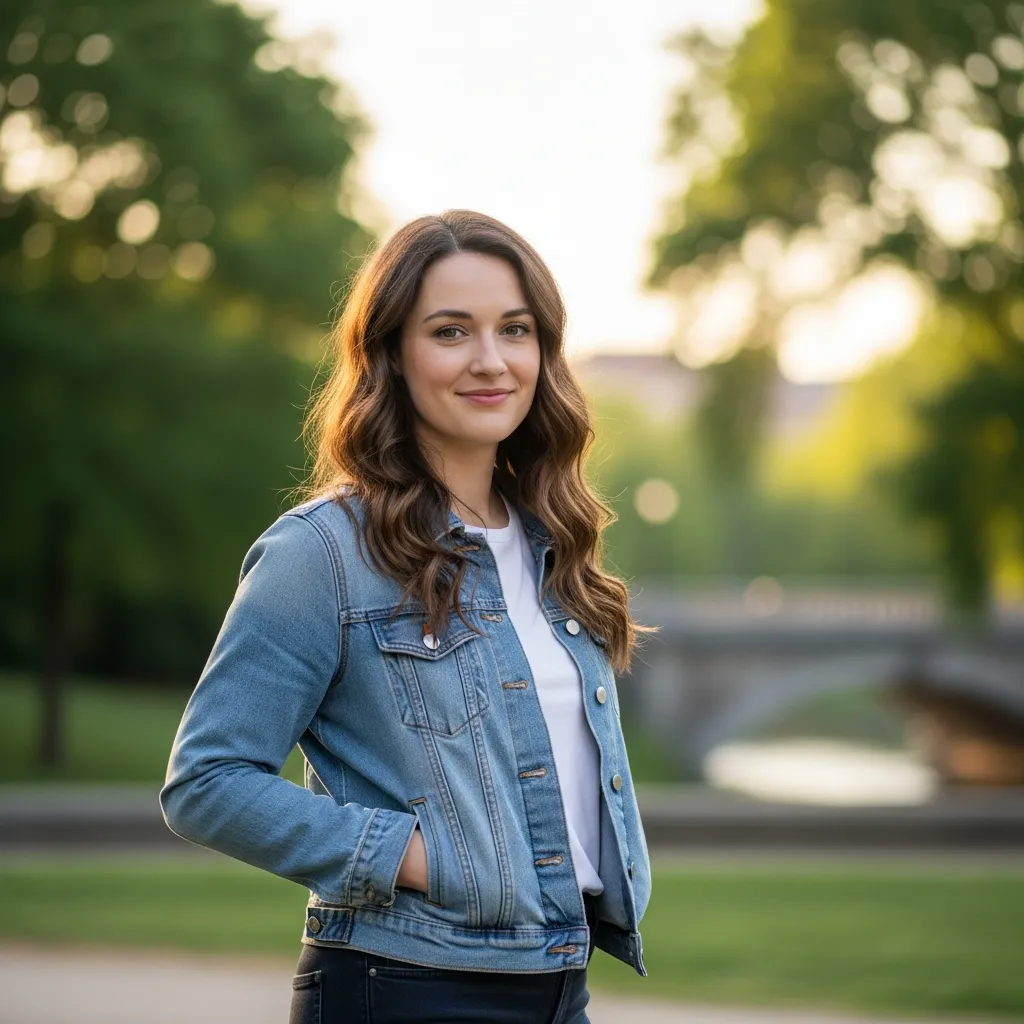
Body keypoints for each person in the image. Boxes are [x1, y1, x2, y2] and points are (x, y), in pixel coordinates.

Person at [160, 209, 656, 1024]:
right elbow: (206, 782)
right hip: (404, 986)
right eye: (451, 331)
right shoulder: (321, 554)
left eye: (516, 329)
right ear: (391, 352)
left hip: (560, 984)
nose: (491, 360)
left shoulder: (553, 545)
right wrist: (415, 857)